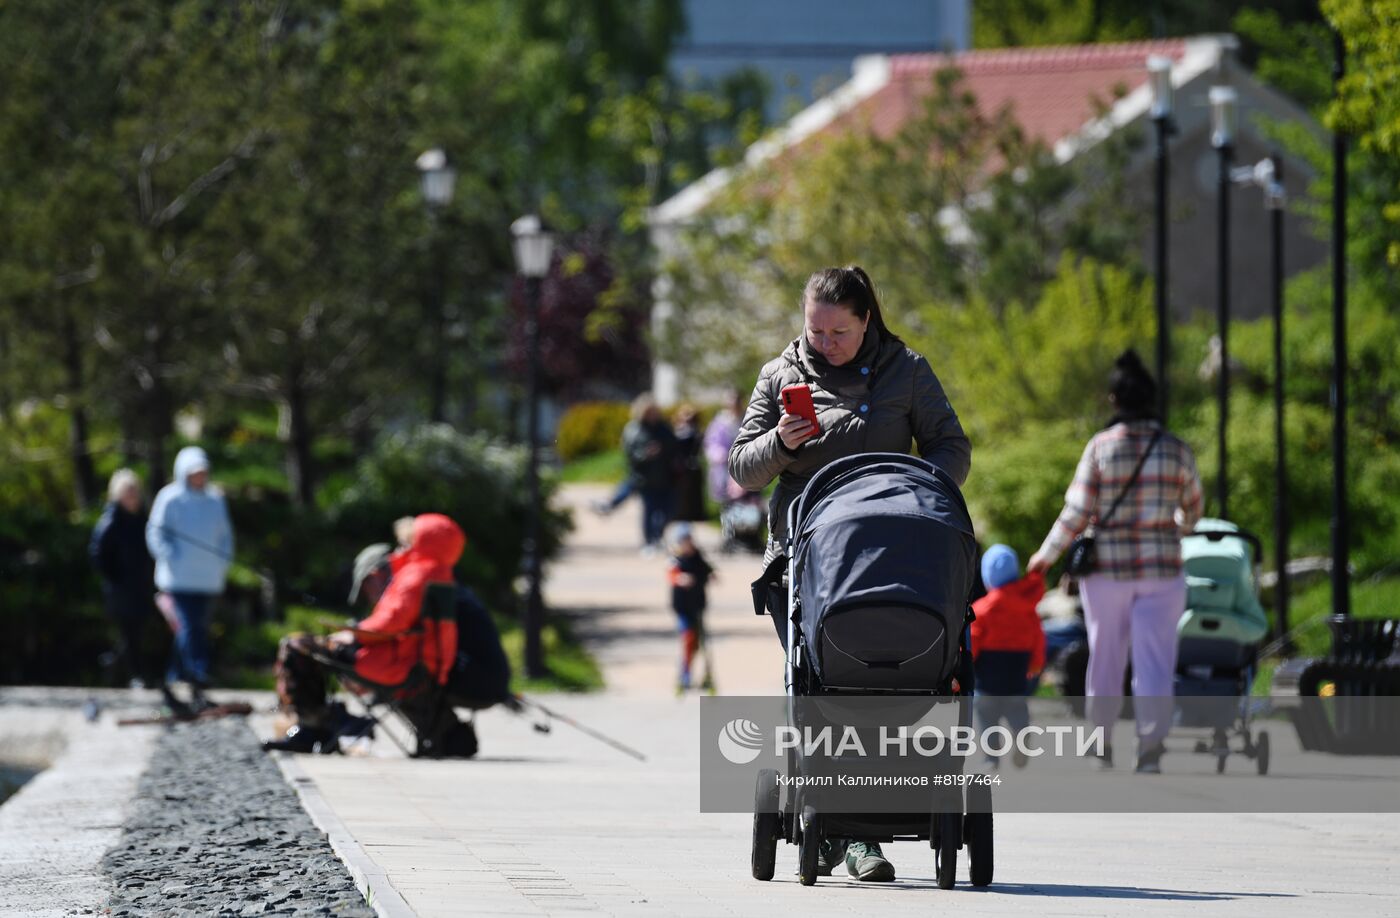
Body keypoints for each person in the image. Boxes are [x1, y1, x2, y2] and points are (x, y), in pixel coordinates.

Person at [728, 265, 971, 883]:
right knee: (825, 687)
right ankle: (847, 830)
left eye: (840, 331)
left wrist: (915, 491)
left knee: (885, 686)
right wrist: (782, 443)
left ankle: (859, 823)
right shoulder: (779, 374)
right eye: (816, 329)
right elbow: (740, 469)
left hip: (892, 546)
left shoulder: (907, 370)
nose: (825, 342)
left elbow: (951, 447)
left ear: (867, 320)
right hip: (804, 555)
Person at [1028, 350, 1203, 775]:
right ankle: (1150, 747)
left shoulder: (1101, 448)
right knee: (1154, 660)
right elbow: (1193, 508)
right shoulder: (1176, 448)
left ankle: (1101, 740)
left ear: (1114, 400)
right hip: (1162, 572)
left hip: (1107, 574)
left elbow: (1076, 513)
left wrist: (1045, 557)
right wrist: (1175, 526)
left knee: (1105, 654)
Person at [266, 514, 468, 753]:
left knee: (296, 644)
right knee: (311, 646)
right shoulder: (441, 573)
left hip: (392, 663)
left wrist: (352, 635)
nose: (399, 549)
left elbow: (390, 623)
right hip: (415, 662)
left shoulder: (416, 574)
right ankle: (317, 725)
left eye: (406, 541)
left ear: (421, 541)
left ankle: (311, 728)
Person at [146, 446, 234, 708]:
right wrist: (170, 555)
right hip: (178, 579)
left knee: (196, 628)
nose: (200, 477)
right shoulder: (169, 498)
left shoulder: (216, 499)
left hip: (207, 579)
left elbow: (226, 536)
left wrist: (222, 562)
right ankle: (197, 675)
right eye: (194, 472)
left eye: (203, 472)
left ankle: (175, 679)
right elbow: (155, 533)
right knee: (188, 627)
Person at [969, 544, 1046, 769]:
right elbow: (1038, 637)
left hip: (988, 674)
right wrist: (1037, 663)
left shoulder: (982, 609)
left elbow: (972, 640)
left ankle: (991, 758)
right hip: (1016, 671)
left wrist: (963, 663)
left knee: (986, 716)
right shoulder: (1027, 608)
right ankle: (1022, 739)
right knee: (1017, 709)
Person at [89, 469, 156, 688]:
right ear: (117, 495)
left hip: (142, 586)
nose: (132, 497)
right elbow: (98, 555)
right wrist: (115, 578)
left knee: (136, 633)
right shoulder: (110, 522)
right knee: (129, 633)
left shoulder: (144, 521)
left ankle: (113, 665)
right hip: (120, 588)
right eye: (127, 492)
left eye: (134, 492)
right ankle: (136, 676)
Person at [621, 394, 677, 555]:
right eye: (649, 412)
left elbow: (673, 447)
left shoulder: (663, 428)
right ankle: (648, 541)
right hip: (645, 479)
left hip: (665, 477)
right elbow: (630, 454)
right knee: (649, 510)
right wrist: (646, 454)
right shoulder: (634, 429)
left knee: (667, 510)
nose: (652, 415)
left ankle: (657, 537)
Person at [667, 523, 716, 694]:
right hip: (683, 607)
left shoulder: (698, 557)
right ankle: (685, 675)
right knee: (688, 637)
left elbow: (708, 570)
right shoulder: (676, 560)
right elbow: (672, 574)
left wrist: (712, 576)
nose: (688, 543)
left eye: (689, 539)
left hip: (698, 605)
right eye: (684, 540)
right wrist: (680, 578)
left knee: (700, 642)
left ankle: (706, 675)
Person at [702, 389, 745, 507]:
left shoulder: (747, 418)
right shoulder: (720, 421)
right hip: (724, 466)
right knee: (727, 501)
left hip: (744, 464)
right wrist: (719, 454)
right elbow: (711, 443)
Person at [670, 404, 707, 522]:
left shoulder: (696, 431)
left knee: (693, 494)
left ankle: (694, 514)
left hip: (692, 466)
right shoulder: (676, 430)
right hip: (679, 467)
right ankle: (679, 514)